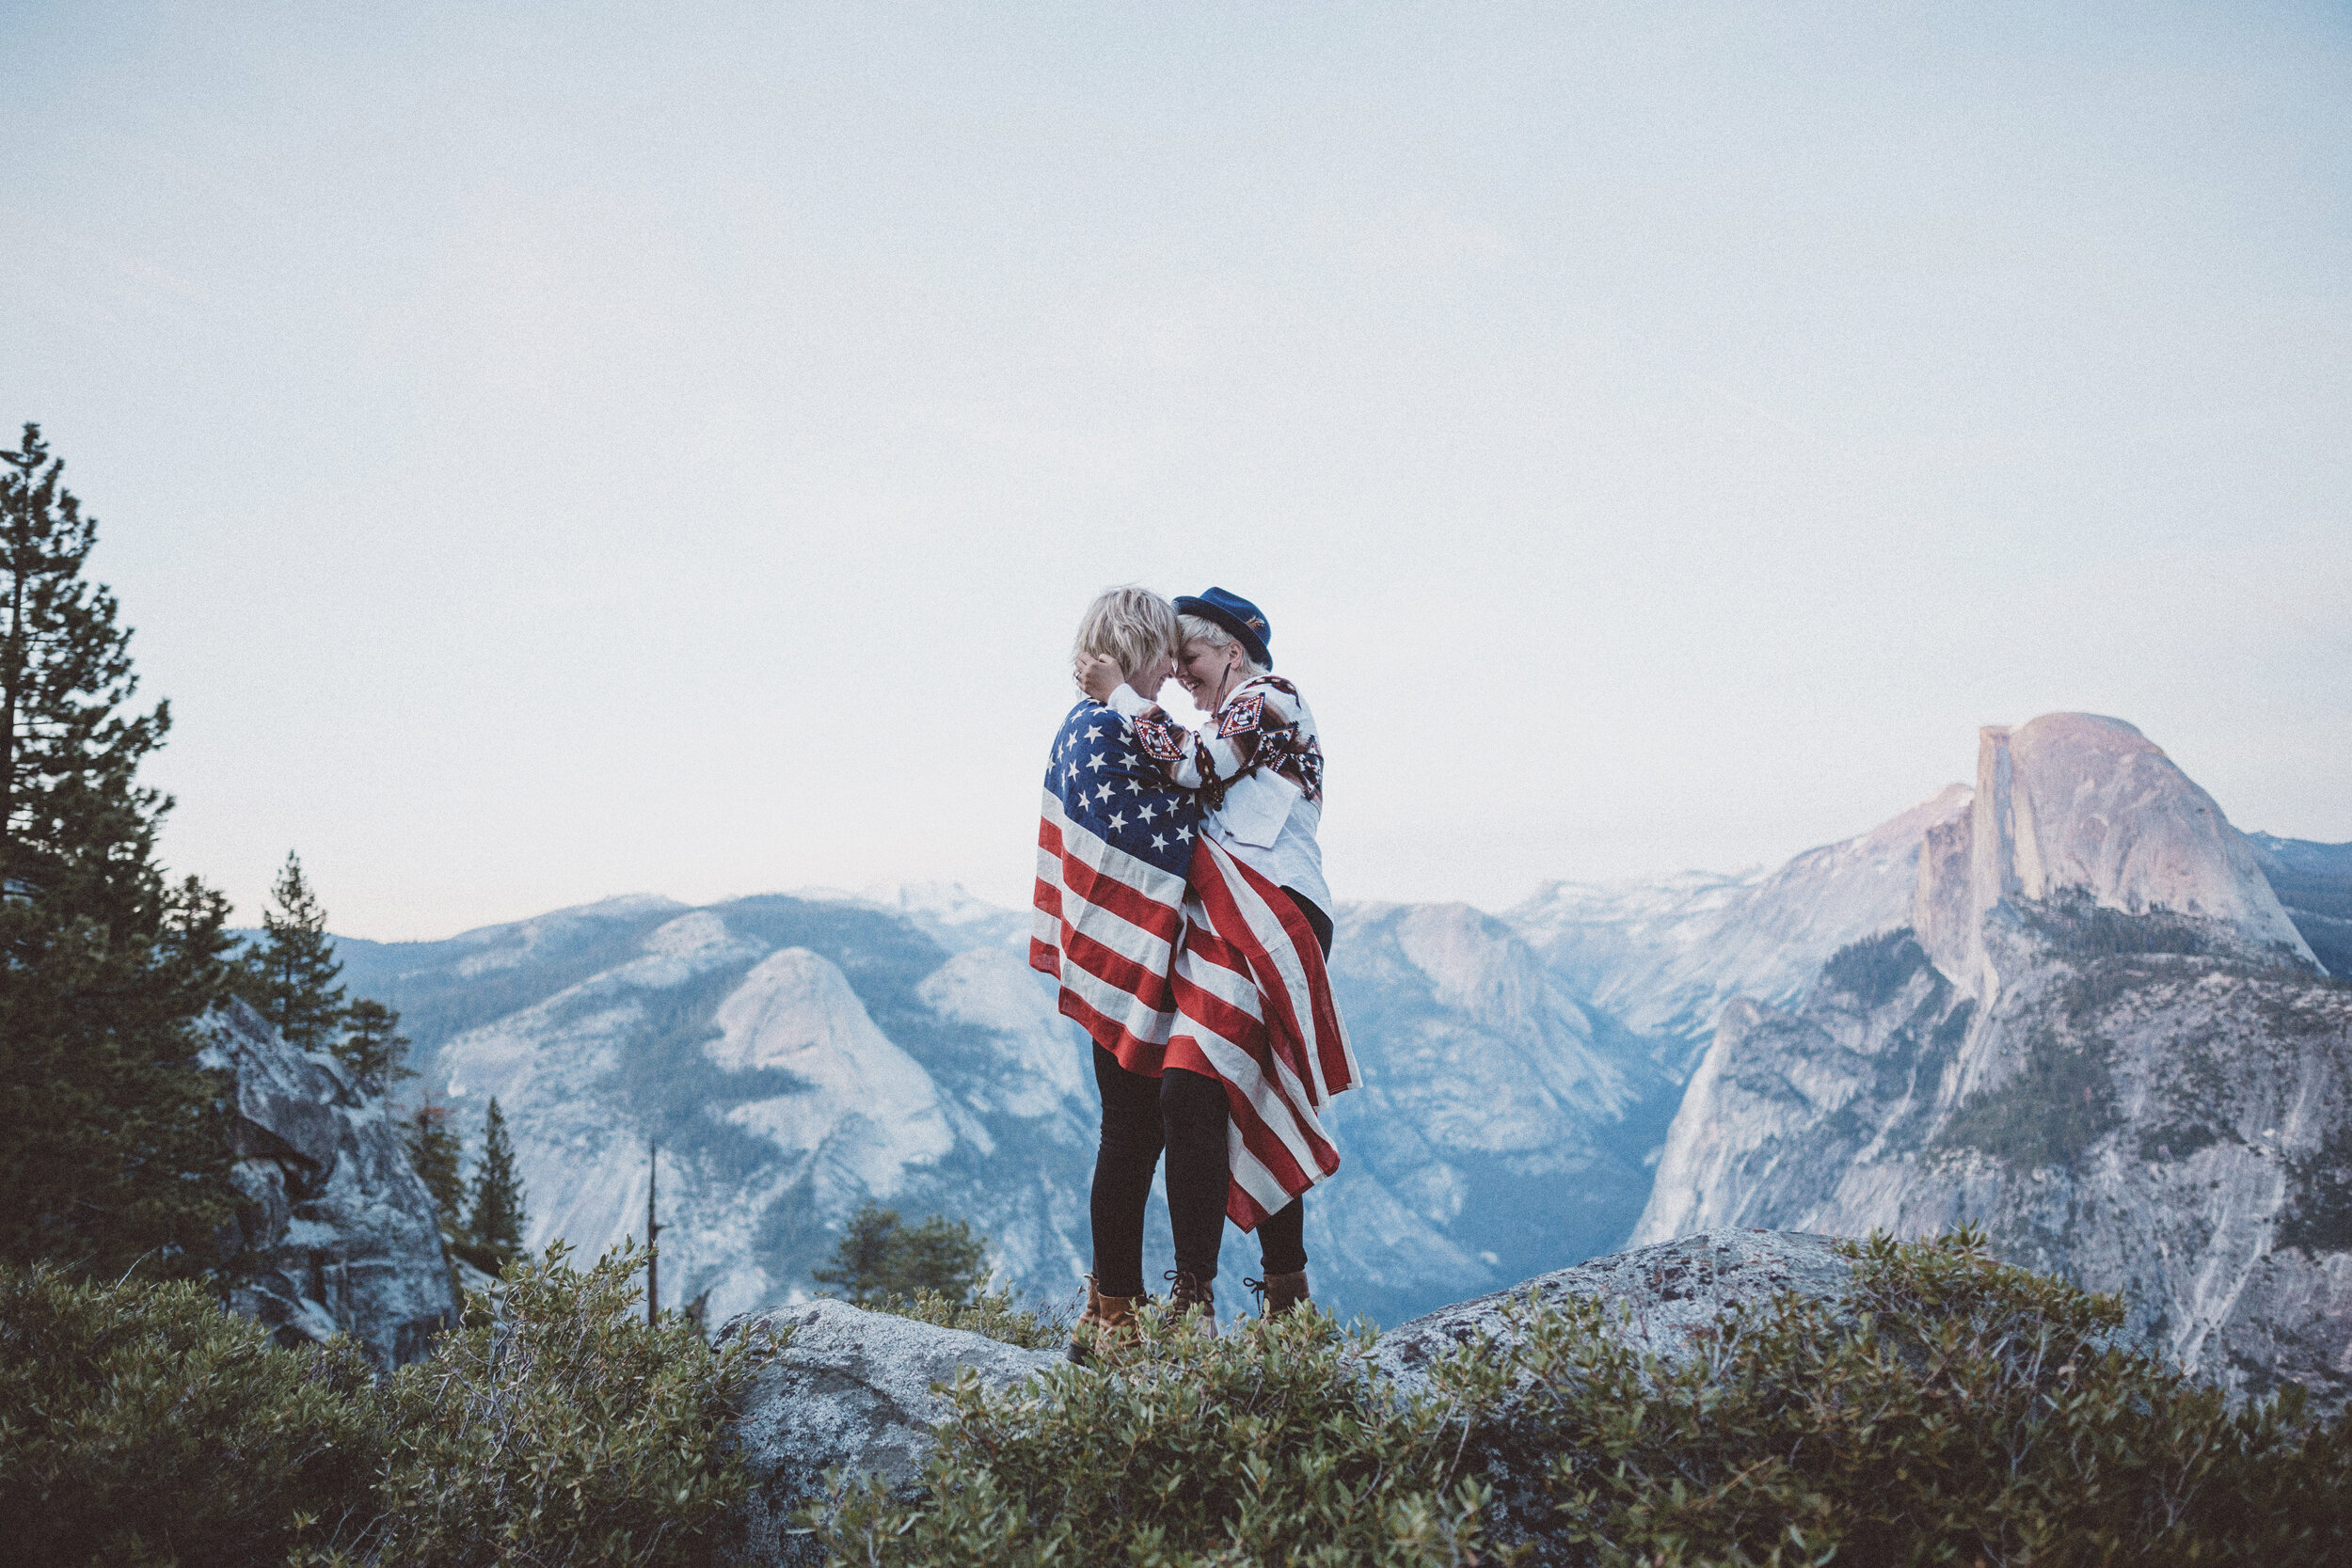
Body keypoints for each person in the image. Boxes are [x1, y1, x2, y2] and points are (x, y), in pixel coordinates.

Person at [1075, 586, 1340, 1325]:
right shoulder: (1235, 710)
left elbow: (1193, 766)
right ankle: (1265, 1291)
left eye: (1189, 658)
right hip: (1228, 919)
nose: (1182, 677)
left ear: (1232, 649)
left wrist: (1123, 695)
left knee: (1193, 1090)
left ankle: (1208, 1296)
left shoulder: (1271, 697)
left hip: (1275, 913)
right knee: (1208, 1092)